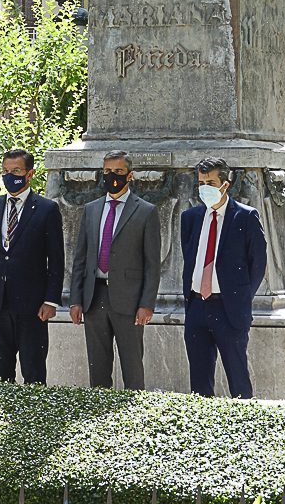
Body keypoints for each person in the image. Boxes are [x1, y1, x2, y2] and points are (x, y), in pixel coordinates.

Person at [69, 150, 161, 390]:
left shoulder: (146, 211)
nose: (112, 176)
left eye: (118, 172)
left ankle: (135, 418)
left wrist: (147, 304)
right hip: (94, 297)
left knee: (132, 369)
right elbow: (81, 258)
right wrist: (75, 300)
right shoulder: (91, 209)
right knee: (97, 370)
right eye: (107, 171)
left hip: (129, 302)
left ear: (130, 175)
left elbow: (152, 263)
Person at [0, 148, 64, 384]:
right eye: (5, 171)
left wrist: (51, 300)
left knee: (33, 374)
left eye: (16, 171)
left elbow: (56, 259)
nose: (9, 176)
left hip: (32, 306)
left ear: (29, 174)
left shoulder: (47, 209)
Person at [180, 157, 267, 398]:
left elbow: (257, 264)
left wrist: (239, 299)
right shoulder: (190, 218)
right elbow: (190, 260)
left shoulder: (246, 217)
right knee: (199, 382)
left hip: (229, 309)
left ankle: (244, 426)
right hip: (197, 306)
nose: (204, 188)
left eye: (210, 182)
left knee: (238, 380)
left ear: (225, 184)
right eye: (200, 183)